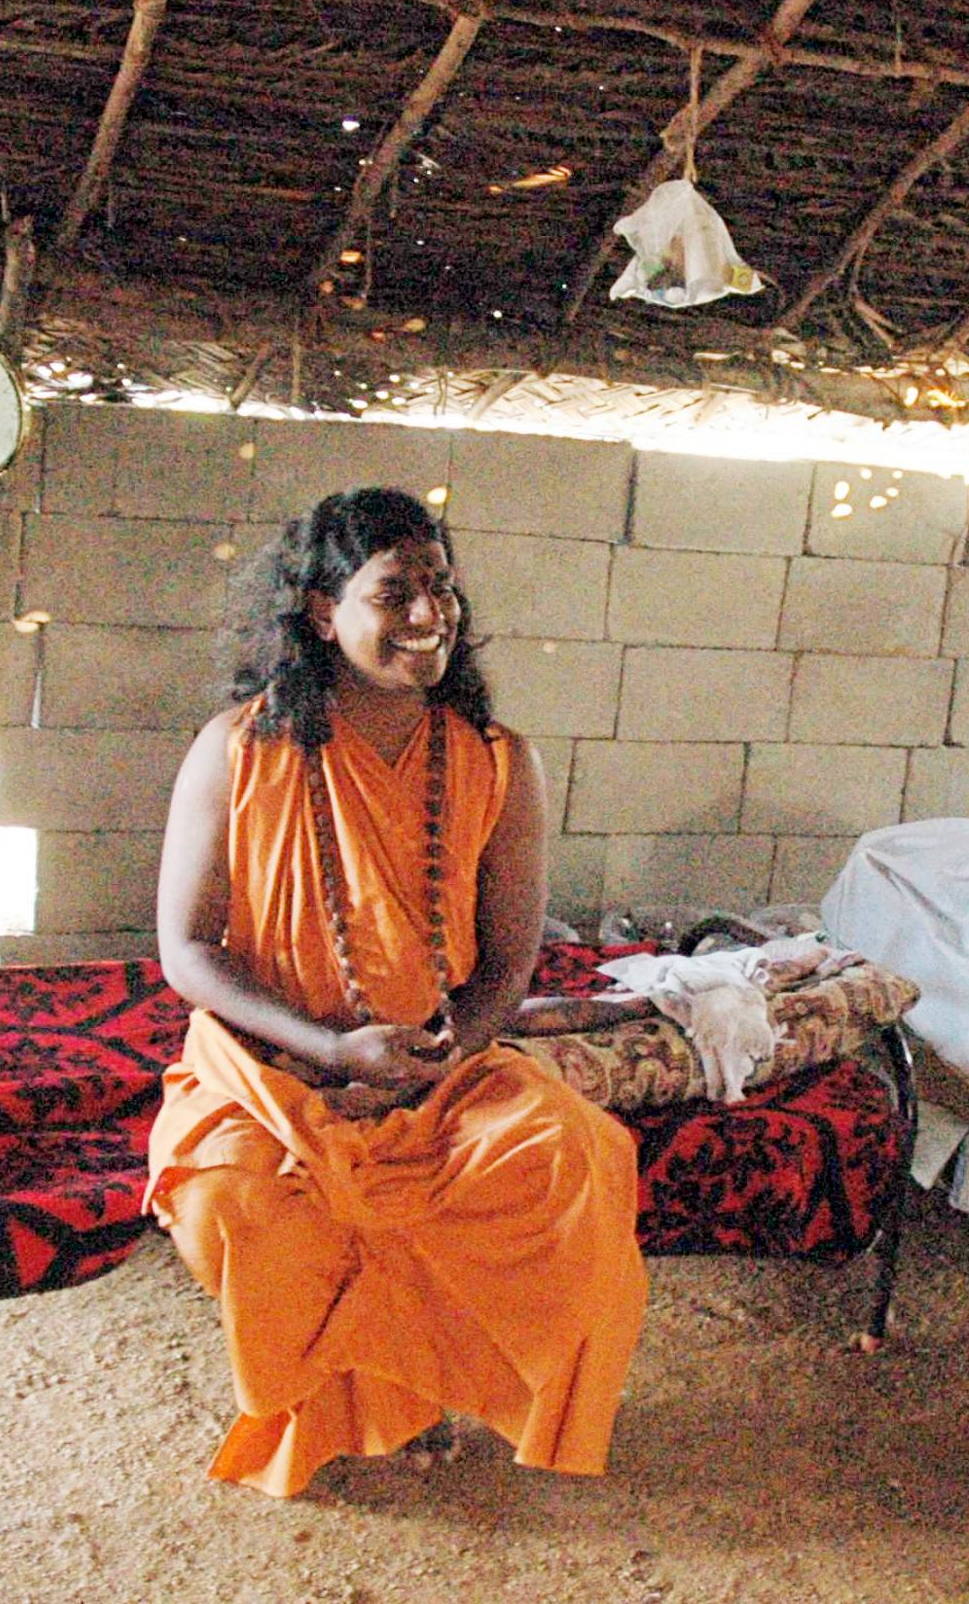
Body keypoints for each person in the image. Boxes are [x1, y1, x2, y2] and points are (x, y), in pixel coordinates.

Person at [147, 485, 648, 1499]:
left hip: (436, 1068)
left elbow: (506, 963)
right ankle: (351, 1404)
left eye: (441, 589)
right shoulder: (238, 747)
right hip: (270, 1071)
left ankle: (431, 1382)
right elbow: (185, 950)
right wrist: (330, 1052)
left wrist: (437, 1057)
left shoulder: (498, 760)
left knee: (574, 1157)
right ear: (321, 612)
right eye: (393, 594)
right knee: (238, 1202)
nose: (429, 616)